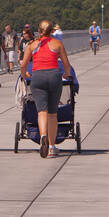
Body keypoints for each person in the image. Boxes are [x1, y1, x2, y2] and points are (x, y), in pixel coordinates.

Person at [19, 21, 74, 158]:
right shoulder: (57, 44)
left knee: (41, 112)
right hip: (54, 76)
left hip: (37, 77)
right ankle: (51, 146)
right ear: (51, 31)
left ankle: (42, 136)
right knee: (52, 113)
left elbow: (23, 64)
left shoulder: (32, 45)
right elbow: (66, 64)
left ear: (38, 30)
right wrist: (66, 74)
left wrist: (25, 75)